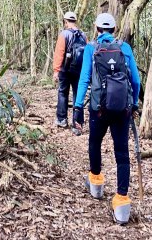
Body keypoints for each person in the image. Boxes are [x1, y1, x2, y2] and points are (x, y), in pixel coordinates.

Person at [73, 12, 140, 225]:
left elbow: (84, 79)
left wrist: (77, 108)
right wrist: (134, 103)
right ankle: (121, 203)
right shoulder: (125, 48)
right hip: (122, 109)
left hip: (98, 108)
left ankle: (96, 185)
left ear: (97, 28)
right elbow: (136, 81)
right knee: (122, 152)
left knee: (95, 142)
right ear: (114, 28)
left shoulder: (91, 48)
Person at [52, 11, 87, 135]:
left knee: (63, 92)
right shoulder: (83, 35)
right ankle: (78, 123)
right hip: (79, 70)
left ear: (66, 22)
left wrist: (56, 71)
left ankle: (62, 119)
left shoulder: (64, 34)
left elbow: (59, 53)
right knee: (78, 95)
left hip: (65, 70)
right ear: (75, 21)